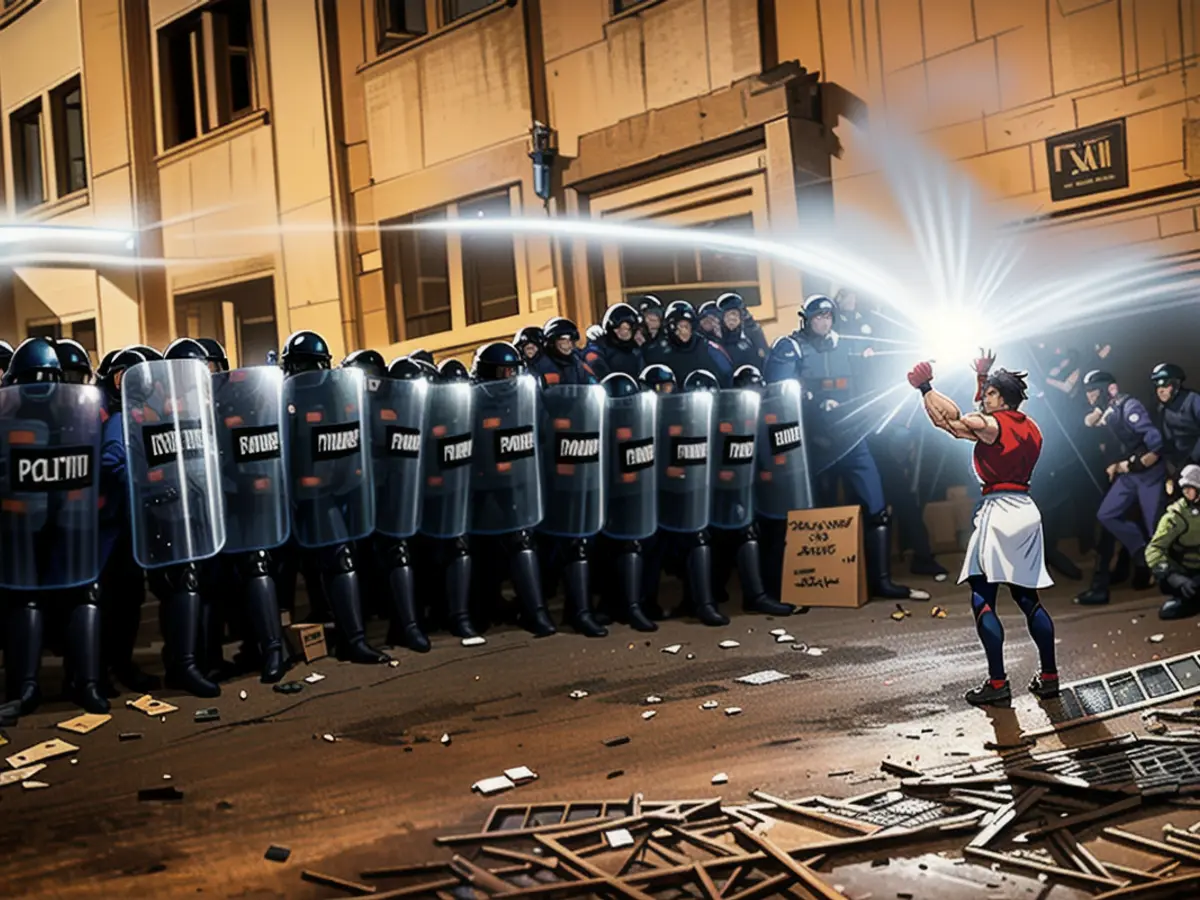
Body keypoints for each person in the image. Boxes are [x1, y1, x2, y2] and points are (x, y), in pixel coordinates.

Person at [907, 358, 1058, 707]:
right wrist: (980, 378)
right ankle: (1049, 677)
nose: (985, 397)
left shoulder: (991, 424)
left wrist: (926, 387)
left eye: (990, 393)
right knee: (1027, 598)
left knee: (982, 596)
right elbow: (974, 424)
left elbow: (951, 419)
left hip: (999, 511)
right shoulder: (1033, 426)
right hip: (1026, 509)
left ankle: (997, 682)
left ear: (1001, 398)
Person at [792, 295, 927, 602]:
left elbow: (872, 384)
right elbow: (783, 390)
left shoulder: (850, 345)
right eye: (818, 317)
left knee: (877, 508)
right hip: (816, 442)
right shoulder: (794, 349)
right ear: (807, 319)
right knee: (823, 515)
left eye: (828, 316)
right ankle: (825, 584)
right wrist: (813, 405)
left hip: (853, 439)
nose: (824, 322)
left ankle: (881, 580)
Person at [1, 338, 109, 715]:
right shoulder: (5, 420)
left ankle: (86, 682)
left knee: (84, 594)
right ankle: (25, 688)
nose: (39, 386)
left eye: (46, 378)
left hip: (67, 525)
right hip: (19, 528)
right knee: (26, 599)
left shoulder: (76, 417)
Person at [279, 330, 389, 664]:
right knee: (270, 572)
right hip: (282, 501)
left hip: (322, 494)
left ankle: (352, 640)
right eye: (299, 365)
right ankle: (269, 650)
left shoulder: (337, 397)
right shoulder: (275, 398)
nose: (304, 372)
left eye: (310, 365)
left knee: (340, 560)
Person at [468, 342, 557, 637]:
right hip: (482, 483)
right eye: (504, 372)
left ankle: (535, 611)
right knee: (484, 548)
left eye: (513, 371)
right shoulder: (471, 398)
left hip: (516, 481)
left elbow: (542, 431)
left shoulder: (526, 397)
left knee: (522, 540)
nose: (509, 378)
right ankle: (482, 610)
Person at [1076, 369, 1165, 605]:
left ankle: (1171, 576)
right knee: (1107, 514)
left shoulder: (1129, 407)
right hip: (1127, 475)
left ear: (1109, 389)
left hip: (1148, 475)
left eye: (1094, 391)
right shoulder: (1109, 409)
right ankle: (1140, 552)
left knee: (1155, 525)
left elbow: (1154, 444)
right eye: (1088, 392)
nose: (1090, 397)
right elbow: (1091, 421)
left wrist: (1128, 465)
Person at [1147, 464, 1200, 620]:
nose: (1186, 491)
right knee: (1175, 607)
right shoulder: (1176, 516)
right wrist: (1173, 577)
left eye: (1191, 488)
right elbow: (1154, 549)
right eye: (1185, 488)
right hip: (1185, 572)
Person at [642, 303, 733, 387]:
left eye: (687, 326)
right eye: (680, 327)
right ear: (671, 327)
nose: (684, 331)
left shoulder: (709, 349)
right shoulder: (656, 351)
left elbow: (727, 375)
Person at [1151, 363, 1200, 474]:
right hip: (1182, 466)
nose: (1160, 390)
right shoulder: (1163, 410)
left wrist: (1193, 459)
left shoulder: (1193, 400)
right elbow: (1167, 441)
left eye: (1165, 385)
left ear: (1176, 384)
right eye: (1157, 386)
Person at [583, 302, 644, 380]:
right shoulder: (599, 347)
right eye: (618, 328)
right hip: (607, 390)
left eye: (627, 328)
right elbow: (594, 367)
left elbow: (642, 376)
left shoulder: (635, 349)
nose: (623, 332)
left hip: (634, 390)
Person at [530, 317, 597, 386]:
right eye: (563, 340)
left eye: (571, 340)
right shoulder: (539, 364)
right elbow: (530, 389)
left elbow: (592, 381)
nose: (569, 344)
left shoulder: (577, 362)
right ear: (551, 342)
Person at [716, 293, 768, 371]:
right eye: (727, 315)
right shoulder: (717, 340)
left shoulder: (753, 334)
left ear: (741, 316)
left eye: (734, 314)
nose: (732, 318)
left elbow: (765, 358)